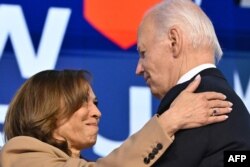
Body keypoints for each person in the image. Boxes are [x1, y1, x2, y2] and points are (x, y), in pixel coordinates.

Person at [0, 69, 232, 167]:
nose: (97, 112)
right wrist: (169, 121)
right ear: (45, 108)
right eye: (83, 102)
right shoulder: (21, 155)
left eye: (96, 103)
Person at [136, 0, 250, 166]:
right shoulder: (233, 104)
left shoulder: (190, 107)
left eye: (143, 53)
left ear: (174, 41)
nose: (138, 69)